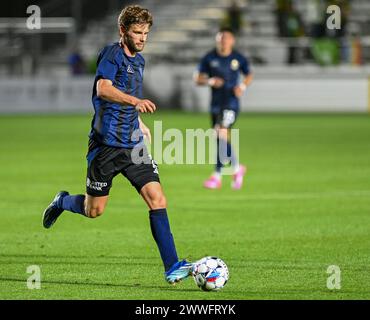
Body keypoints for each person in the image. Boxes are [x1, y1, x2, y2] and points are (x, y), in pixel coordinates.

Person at [42, 5, 192, 284]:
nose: (143, 38)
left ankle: (172, 266)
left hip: (132, 145)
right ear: (123, 31)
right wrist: (136, 102)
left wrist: (138, 122)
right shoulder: (112, 54)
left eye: (146, 33)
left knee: (157, 198)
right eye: (137, 32)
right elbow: (104, 89)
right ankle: (62, 201)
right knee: (94, 211)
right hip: (105, 147)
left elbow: (127, 94)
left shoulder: (140, 61)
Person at [194, 27, 253, 190]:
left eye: (226, 38)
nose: (223, 41)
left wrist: (242, 86)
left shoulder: (238, 58)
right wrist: (210, 81)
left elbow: (249, 74)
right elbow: (197, 78)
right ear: (217, 40)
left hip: (231, 103)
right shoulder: (209, 57)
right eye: (221, 38)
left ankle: (217, 176)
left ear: (232, 40)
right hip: (215, 105)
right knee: (220, 138)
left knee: (221, 132)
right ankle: (235, 169)